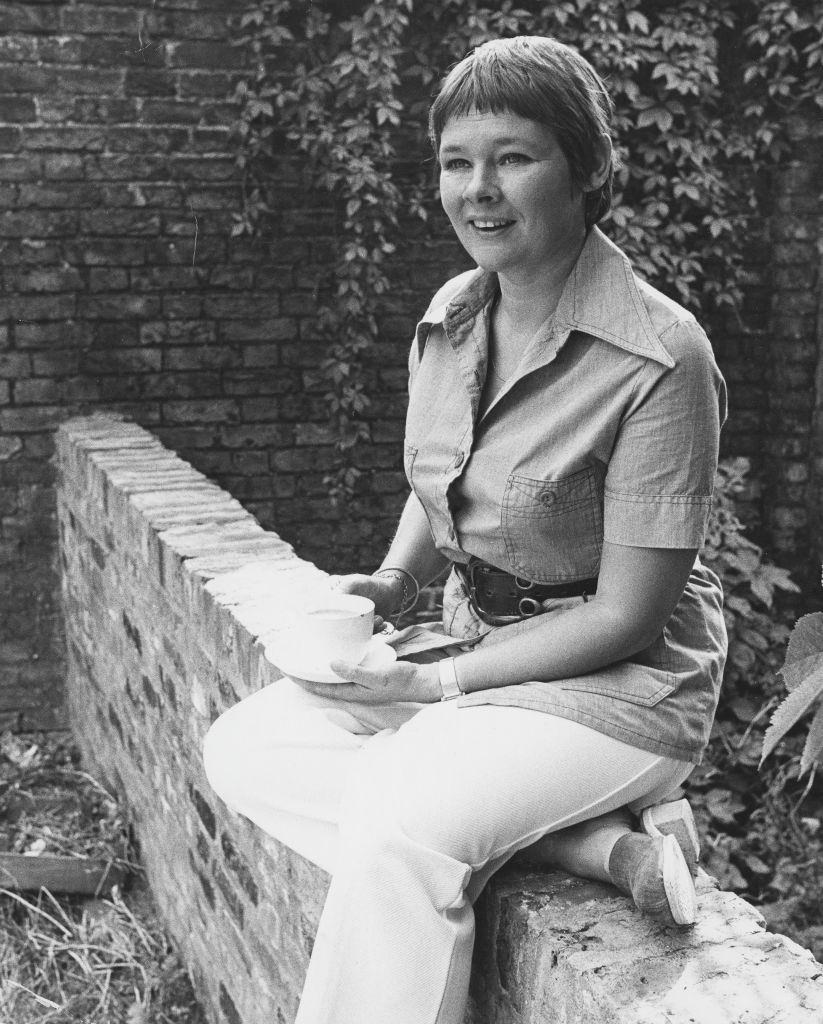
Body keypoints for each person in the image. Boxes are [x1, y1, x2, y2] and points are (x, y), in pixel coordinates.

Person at [203, 35, 727, 1024]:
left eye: (513, 157)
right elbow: (444, 474)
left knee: (399, 824)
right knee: (247, 745)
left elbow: (626, 615)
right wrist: (391, 587)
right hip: (475, 645)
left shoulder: (663, 355)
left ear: (587, 168)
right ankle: (594, 847)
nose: (476, 189)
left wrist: (431, 683)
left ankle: (575, 816)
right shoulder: (451, 313)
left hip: (615, 684)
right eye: (455, 161)